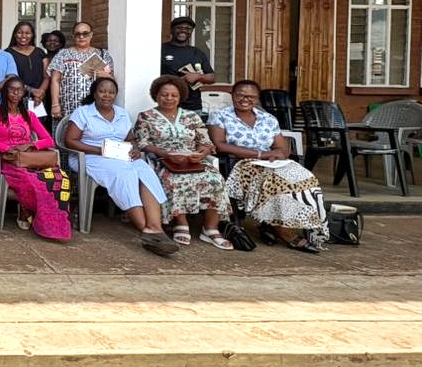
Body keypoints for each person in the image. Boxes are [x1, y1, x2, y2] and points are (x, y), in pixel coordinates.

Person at [208, 80, 329, 253]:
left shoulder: (268, 119)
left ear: (257, 99)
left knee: (306, 179)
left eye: (251, 96)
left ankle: (304, 226)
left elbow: (282, 147)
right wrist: (259, 154)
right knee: (274, 182)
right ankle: (284, 231)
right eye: (240, 95)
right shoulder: (220, 116)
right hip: (242, 164)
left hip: (271, 162)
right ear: (233, 96)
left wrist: (278, 154)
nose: (245, 99)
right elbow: (220, 145)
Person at [63, 77, 178, 257]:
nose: (107, 95)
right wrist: (98, 150)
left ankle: (156, 228)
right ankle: (146, 230)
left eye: (111, 92)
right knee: (123, 174)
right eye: (102, 91)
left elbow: (130, 139)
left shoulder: (122, 113)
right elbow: (69, 141)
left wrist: (135, 149)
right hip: (90, 156)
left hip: (121, 156)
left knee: (146, 172)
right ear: (94, 93)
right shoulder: (83, 112)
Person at [134, 76, 232, 249]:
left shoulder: (192, 116)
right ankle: (181, 222)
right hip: (164, 161)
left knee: (216, 179)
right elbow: (142, 143)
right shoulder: (146, 116)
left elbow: (206, 143)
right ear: (156, 95)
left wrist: (201, 154)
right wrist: (165, 154)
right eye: (164, 95)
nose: (169, 98)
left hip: (193, 161)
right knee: (174, 179)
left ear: (180, 97)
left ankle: (210, 228)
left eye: (174, 95)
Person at [0, 76, 72, 240]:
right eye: (12, 89)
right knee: (33, 181)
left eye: (19, 90)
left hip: (30, 158)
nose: (15, 93)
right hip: (9, 160)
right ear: (5, 92)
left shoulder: (29, 115)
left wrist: (31, 145)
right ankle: (27, 210)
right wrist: (8, 148)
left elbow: (49, 140)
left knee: (60, 178)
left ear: (23, 93)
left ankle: (54, 225)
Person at [49, 21, 114, 120]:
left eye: (85, 33)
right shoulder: (63, 54)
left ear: (91, 34)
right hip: (68, 106)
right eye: (78, 34)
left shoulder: (103, 54)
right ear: (73, 36)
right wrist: (55, 104)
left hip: (95, 106)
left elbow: (112, 81)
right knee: (69, 129)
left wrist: (106, 76)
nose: (81, 37)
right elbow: (55, 80)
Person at [162, 16, 215, 112]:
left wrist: (198, 77)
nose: (183, 31)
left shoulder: (197, 52)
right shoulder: (161, 49)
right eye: (179, 28)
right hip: (166, 103)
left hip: (193, 106)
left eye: (188, 29)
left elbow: (212, 77)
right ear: (171, 30)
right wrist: (178, 81)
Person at [6, 21, 50, 128]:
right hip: (17, 98)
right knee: (19, 128)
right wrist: (31, 90)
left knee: (39, 129)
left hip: (39, 99)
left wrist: (40, 92)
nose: (23, 36)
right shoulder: (7, 54)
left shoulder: (40, 52)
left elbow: (47, 76)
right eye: (20, 32)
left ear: (32, 35)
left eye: (27, 33)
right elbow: (9, 78)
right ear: (15, 34)